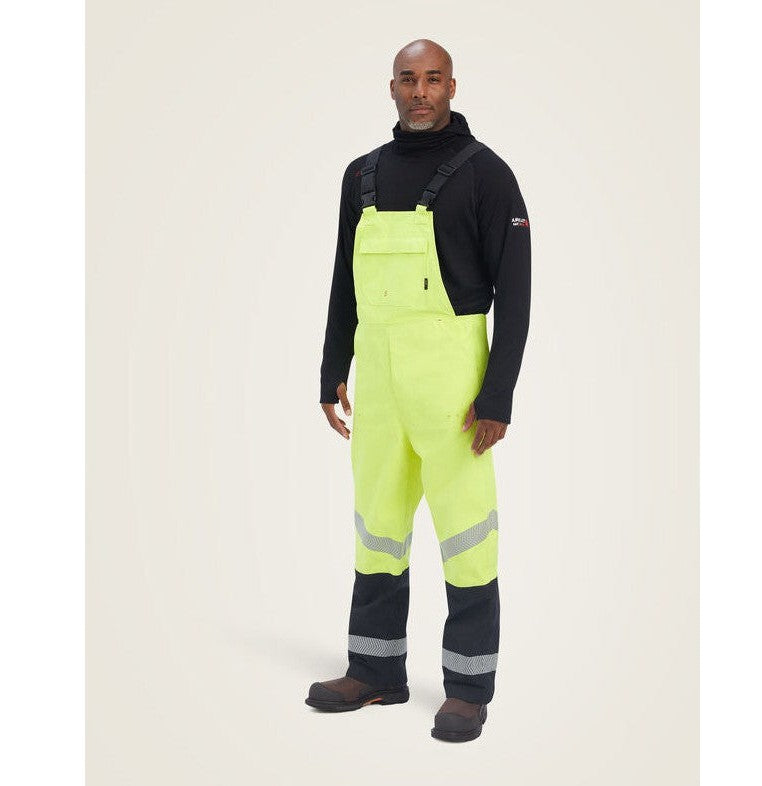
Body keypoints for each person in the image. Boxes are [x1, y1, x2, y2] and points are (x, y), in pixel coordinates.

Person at [306, 38, 531, 742]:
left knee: (466, 533)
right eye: (409, 79)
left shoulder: (488, 174)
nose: (421, 91)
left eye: (433, 78)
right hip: (378, 379)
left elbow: (517, 292)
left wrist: (498, 396)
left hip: (453, 386)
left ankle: (467, 688)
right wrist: (332, 365)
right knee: (378, 527)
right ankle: (374, 671)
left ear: (453, 86)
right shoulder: (362, 175)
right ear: (392, 87)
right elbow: (343, 277)